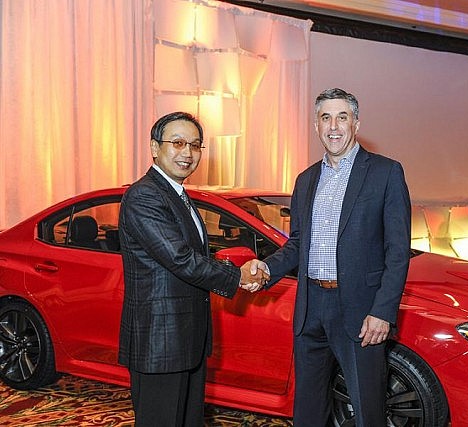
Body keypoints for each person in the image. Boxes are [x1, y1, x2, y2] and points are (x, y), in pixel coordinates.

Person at [246, 88, 411, 426]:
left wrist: (382, 311)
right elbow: (297, 244)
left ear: (356, 123)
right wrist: (267, 268)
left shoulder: (385, 172)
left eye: (342, 117)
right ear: (315, 126)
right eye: (325, 118)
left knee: (368, 411)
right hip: (311, 307)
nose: (333, 126)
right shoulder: (305, 180)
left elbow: (398, 251)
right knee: (308, 409)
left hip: (361, 310)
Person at [118, 111, 266, 427]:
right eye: (178, 143)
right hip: (160, 341)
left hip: (186, 339)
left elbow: (192, 257)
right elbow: (181, 258)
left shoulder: (179, 195)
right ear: (155, 148)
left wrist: (235, 267)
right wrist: (237, 276)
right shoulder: (144, 195)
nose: (188, 153)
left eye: (195, 145)